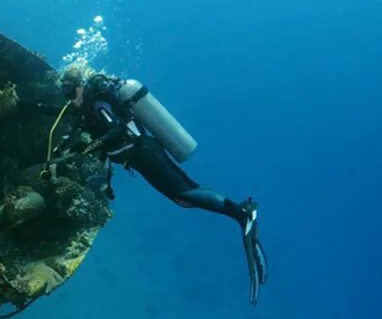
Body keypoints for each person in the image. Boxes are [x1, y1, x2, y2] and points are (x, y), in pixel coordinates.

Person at [53, 61, 268, 305]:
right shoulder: (92, 104)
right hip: (145, 153)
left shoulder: (99, 101)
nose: (69, 99)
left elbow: (116, 130)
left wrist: (93, 146)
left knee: (185, 194)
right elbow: (63, 117)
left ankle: (242, 213)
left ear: (81, 86)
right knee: (186, 196)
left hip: (144, 154)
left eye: (71, 93)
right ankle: (240, 213)